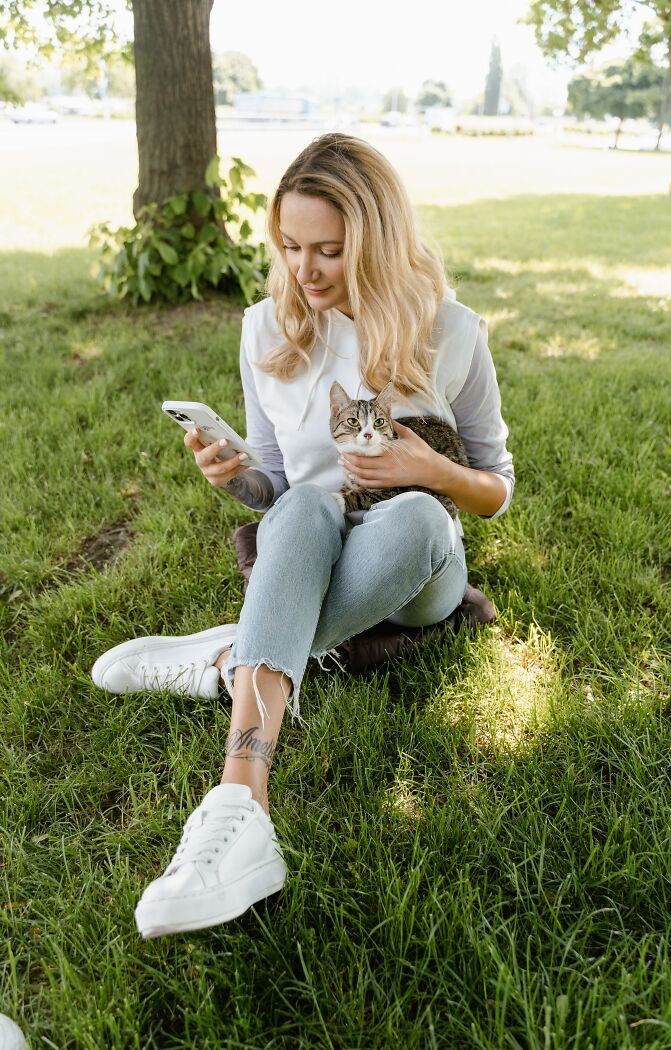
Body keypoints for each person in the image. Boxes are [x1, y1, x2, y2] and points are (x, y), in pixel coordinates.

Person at [91, 132, 515, 940]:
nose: (305, 270)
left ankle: (232, 657)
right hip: (317, 543)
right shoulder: (266, 328)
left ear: (379, 242)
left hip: (416, 560)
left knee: (421, 516)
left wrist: (434, 469)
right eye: (289, 247)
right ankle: (241, 803)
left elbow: (497, 485)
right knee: (310, 508)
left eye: (329, 250)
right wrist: (233, 474)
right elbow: (279, 492)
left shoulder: (452, 331)